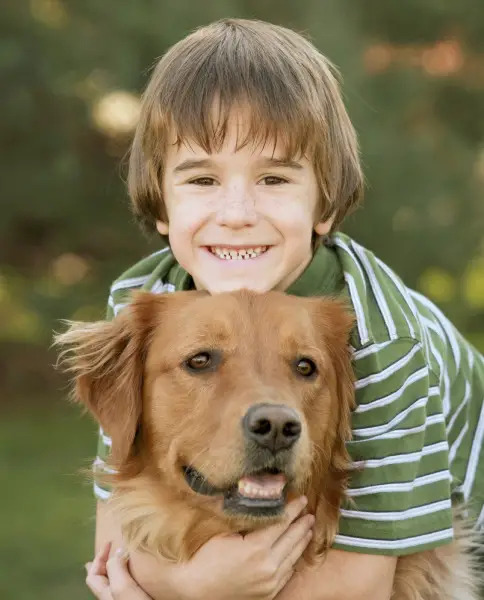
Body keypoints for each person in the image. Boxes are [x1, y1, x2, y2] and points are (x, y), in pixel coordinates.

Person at [85, 18, 484, 600]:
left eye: (274, 177)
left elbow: (365, 588)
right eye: (202, 179)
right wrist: (193, 585)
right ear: (161, 203)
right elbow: (115, 528)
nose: (238, 212)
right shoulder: (142, 303)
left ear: (323, 205)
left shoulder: (382, 340)